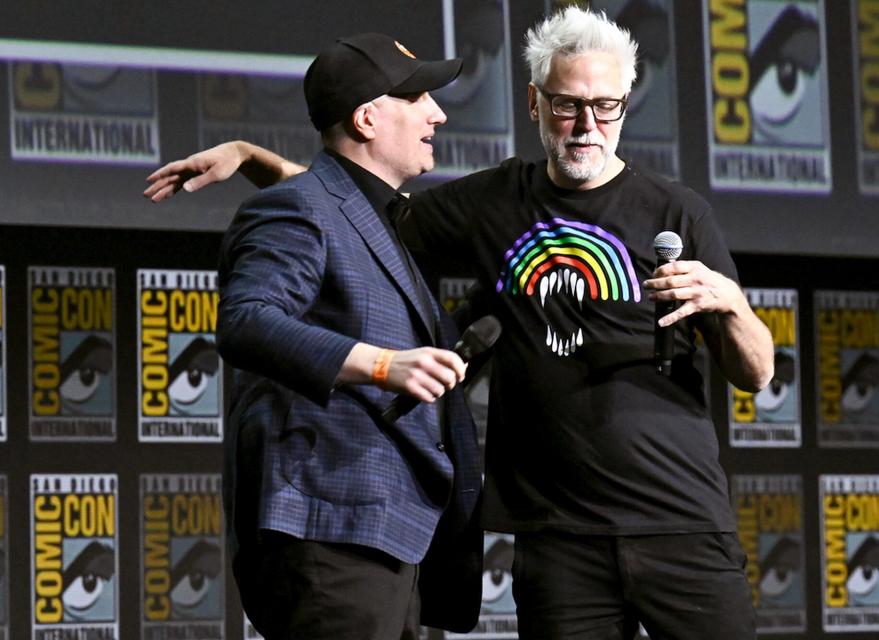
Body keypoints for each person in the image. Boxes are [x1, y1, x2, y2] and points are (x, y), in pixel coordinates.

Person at [146, 8, 774, 639]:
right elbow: (346, 202)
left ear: (624, 106)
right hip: (557, 540)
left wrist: (734, 307)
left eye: (606, 106)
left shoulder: (680, 213)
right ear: (533, 103)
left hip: (683, 523)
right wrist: (255, 159)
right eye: (567, 105)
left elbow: (757, 372)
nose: (587, 125)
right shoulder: (493, 201)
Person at [211, 33, 483, 640]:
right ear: (367, 118)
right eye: (417, 98)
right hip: (331, 533)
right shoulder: (297, 207)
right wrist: (385, 364)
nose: (437, 113)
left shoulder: (359, 212)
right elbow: (246, 319)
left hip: (386, 538)